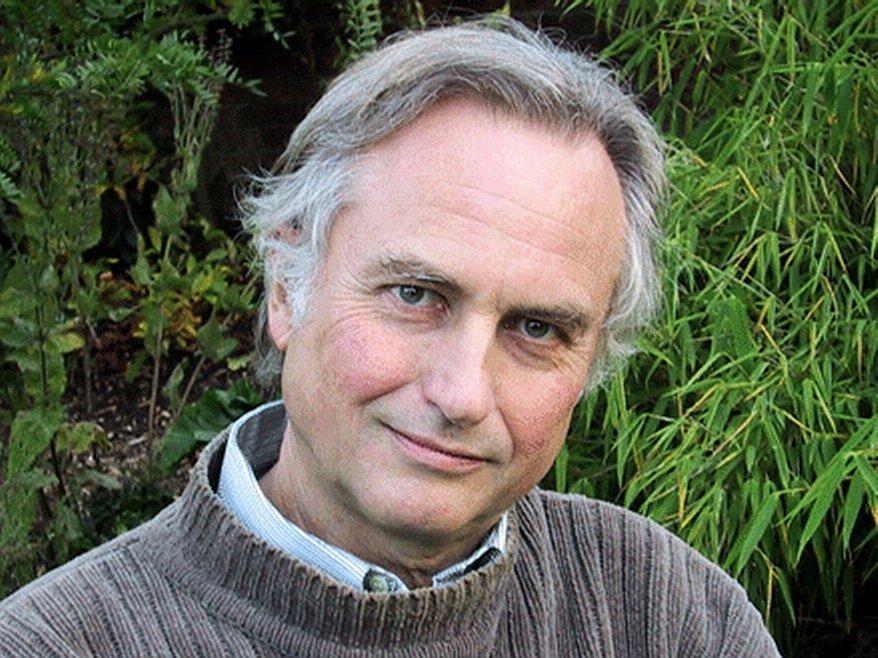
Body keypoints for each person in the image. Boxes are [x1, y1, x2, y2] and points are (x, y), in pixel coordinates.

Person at [0, 17, 780, 657]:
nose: (463, 394)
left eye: (537, 328)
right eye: (415, 295)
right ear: (286, 286)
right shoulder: (57, 645)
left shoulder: (671, 618)